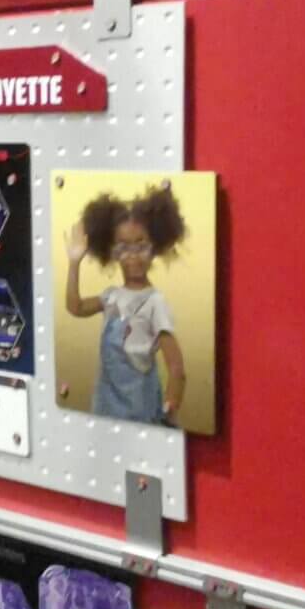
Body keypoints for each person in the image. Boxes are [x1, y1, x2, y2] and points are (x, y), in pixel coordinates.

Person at [64, 182, 189, 426]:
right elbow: (75, 307)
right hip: (106, 406)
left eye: (141, 246)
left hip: (141, 410)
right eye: (123, 247)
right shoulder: (111, 297)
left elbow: (176, 367)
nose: (132, 256)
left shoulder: (155, 303)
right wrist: (74, 263)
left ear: (155, 248)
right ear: (112, 252)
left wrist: (170, 405)